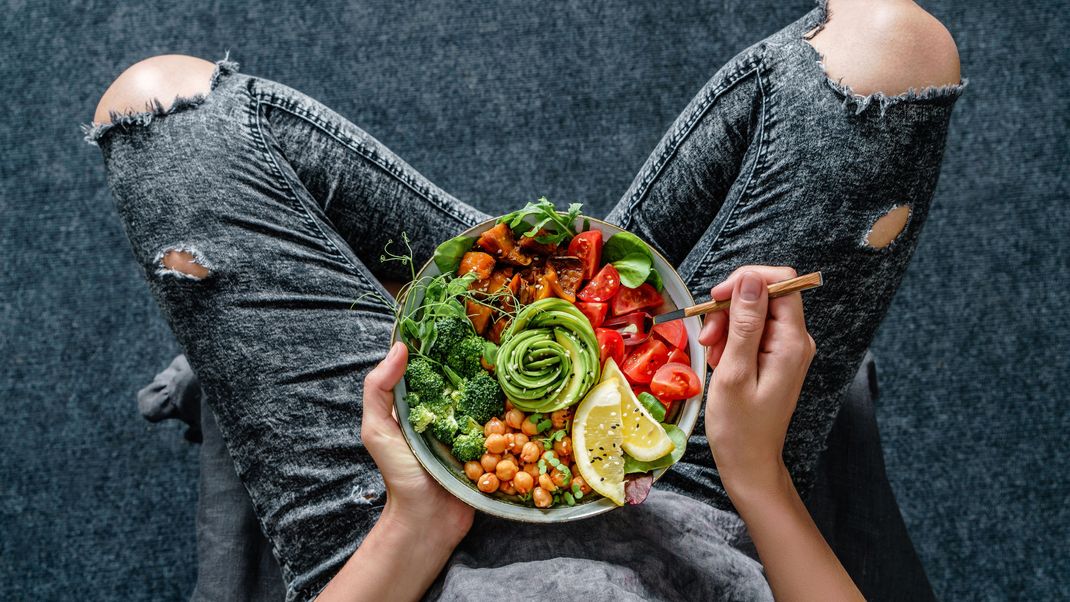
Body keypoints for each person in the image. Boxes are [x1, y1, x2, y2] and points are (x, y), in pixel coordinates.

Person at [85, 0, 962, 599]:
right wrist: (757, 474)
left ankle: (444, 288)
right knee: (891, 49)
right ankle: (514, 280)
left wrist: (417, 526)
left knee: (161, 109)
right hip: (691, 485)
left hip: (389, 533)